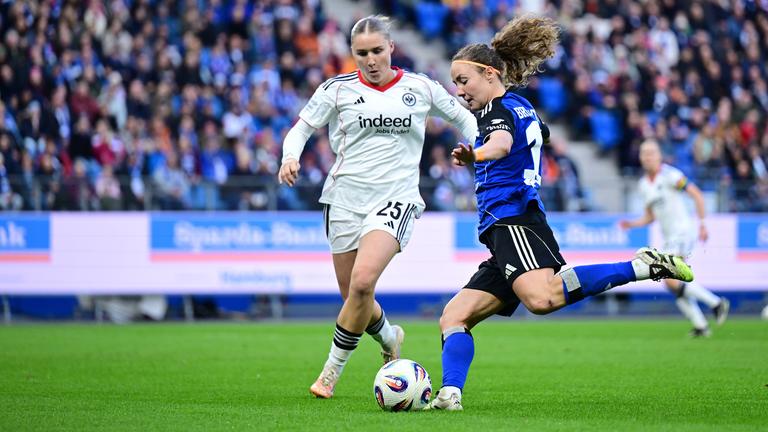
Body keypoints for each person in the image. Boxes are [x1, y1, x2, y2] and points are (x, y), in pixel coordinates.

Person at [424, 16, 695, 411]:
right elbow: (538, 133)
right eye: (455, 82)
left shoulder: (499, 112)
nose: (459, 90)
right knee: (454, 315)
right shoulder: (520, 106)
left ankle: (642, 266)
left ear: (489, 73)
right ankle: (450, 394)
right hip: (505, 228)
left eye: (463, 80)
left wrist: (475, 153)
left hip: (513, 219)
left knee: (542, 299)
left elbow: (500, 144)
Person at [277, 15, 478, 399]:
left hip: (395, 199)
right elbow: (301, 128)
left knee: (363, 282)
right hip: (343, 200)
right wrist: (290, 157)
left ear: (391, 48)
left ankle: (329, 375)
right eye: (361, 53)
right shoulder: (337, 89)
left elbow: (464, 118)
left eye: (377, 51)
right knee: (354, 296)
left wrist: (480, 151)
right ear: (353, 54)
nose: (370, 60)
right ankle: (389, 336)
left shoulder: (419, 87)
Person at [620, 139, 729, 337]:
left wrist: (703, 223)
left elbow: (696, 194)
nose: (647, 157)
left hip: (683, 231)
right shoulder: (644, 185)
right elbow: (650, 216)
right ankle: (701, 325)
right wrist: (632, 224)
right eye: (644, 153)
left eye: (651, 153)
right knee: (672, 281)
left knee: (669, 277)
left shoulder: (670, 175)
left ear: (659, 155)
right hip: (669, 237)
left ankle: (715, 303)